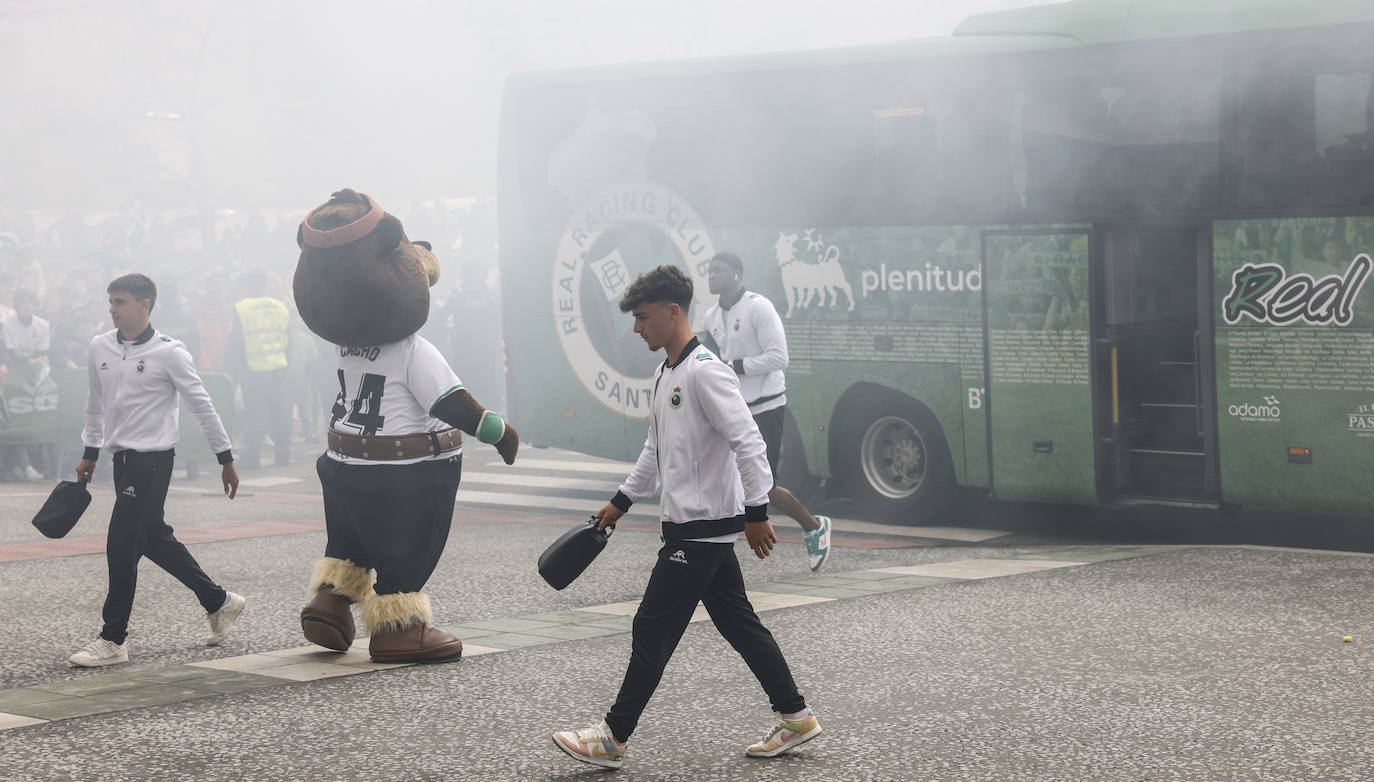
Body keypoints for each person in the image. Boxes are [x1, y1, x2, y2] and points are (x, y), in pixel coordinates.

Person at [553, 264, 821, 770]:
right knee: (738, 623)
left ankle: (612, 736)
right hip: (690, 529)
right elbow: (654, 451)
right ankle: (796, 716)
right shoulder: (665, 374)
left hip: (701, 532)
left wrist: (757, 511)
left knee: (651, 626)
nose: (637, 328)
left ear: (673, 311)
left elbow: (750, 442)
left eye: (643, 317)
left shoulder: (706, 370)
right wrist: (620, 502)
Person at [68, 273, 245, 667]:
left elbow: (202, 405)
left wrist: (225, 458)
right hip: (121, 460)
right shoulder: (99, 347)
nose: (111, 309)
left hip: (152, 462)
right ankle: (219, 601)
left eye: (120, 302)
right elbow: (94, 405)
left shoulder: (170, 352)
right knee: (151, 538)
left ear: (145, 305)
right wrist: (90, 452)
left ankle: (113, 638)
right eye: (110, 301)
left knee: (122, 543)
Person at [700, 251, 832, 571]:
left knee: (764, 485)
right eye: (709, 271)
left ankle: (815, 528)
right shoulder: (710, 317)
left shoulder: (759, 307)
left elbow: (779, 357)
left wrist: (736, 365)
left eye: (719, 270)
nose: (712, 275)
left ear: (738, 274)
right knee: (723, 476)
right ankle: (715, 547)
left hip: (767, 406)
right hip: (734, 408)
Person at [226, 269, 291, 469]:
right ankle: (282, 456)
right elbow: (289, 339)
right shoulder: (280, 307)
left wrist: (236, 369)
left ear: (247, 285)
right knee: (280, 413)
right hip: (278, 368)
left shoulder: (241, 308)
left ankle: (253, 458)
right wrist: (286, 363)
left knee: (255, 415)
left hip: (252, 370)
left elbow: (235, 342)